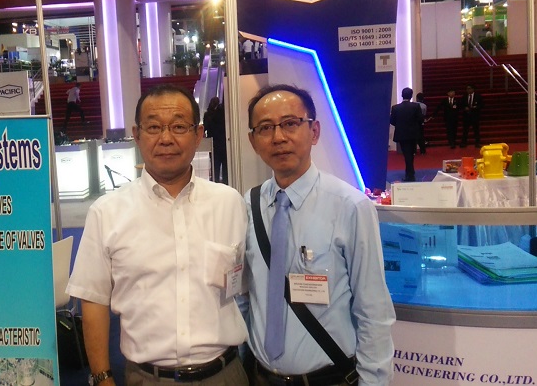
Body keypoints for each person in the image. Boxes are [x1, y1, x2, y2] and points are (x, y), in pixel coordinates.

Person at [67, 85, 249, 386]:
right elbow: (94, 300)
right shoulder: (107, 212)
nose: (166, 138)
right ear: (137, 135)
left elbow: (245, 288)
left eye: (178, 126)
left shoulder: (229, 203)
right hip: (147, 378)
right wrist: (102, 378)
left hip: (225, 374)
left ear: (198, 134)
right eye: (153, 127)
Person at [243, 84, 395, 386]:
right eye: (265, 128)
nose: (278, 137)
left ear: (314, 132)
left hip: (329, 379)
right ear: (253, 141)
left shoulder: (350, 206)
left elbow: (373, 310)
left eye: (290, 123)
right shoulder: (248, 205)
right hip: (260, 377)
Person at [390, 87, 424, 182]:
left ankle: (410, 174)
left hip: (402, 134)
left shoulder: (395, 108)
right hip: (413, 134)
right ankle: (410, 173)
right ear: (411, 96)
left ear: (402, 95)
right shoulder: (416, 106)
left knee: (407, 154)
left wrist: (400, 125)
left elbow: (392, 121)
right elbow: (420, 119)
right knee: (411, 154)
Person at [203, 97, 228, 183]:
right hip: (223, 143)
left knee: (215, 166)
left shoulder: (208, 115)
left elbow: (205, 127)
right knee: (225, 166)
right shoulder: (222, 113)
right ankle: (226, 182)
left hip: (213, 144)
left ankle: (215, 181)